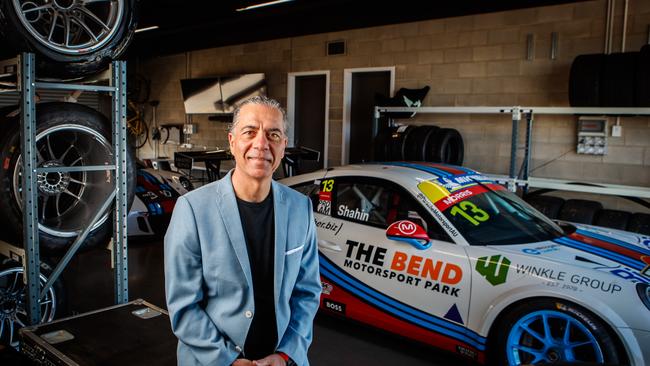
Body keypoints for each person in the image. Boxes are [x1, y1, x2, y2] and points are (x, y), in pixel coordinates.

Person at [164, 96, 321, 366]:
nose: (261, 144)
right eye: (250, 132)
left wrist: (287, 354)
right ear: (232, 142)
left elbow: (307, 292)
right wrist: (228, 360)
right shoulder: (192, 209)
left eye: (273, 134)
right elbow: (184, 307)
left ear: (283, 146)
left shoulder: (300, 208)